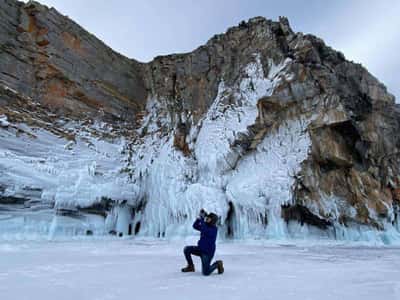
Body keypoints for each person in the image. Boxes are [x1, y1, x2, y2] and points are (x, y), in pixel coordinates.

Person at [181, 209, 224, 275]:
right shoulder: (206, 226)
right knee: (186, 249)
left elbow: (204, 229)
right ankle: (191, 266)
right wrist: (198, 218)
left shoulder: (213, 229)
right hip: (200, 249)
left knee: (206, 272)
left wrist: (202, 218)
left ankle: (218, 264)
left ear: (212, 221)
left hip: (207, 253)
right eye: (207, 218)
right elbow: (195, 226)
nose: (207, 219)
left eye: (209, 219)